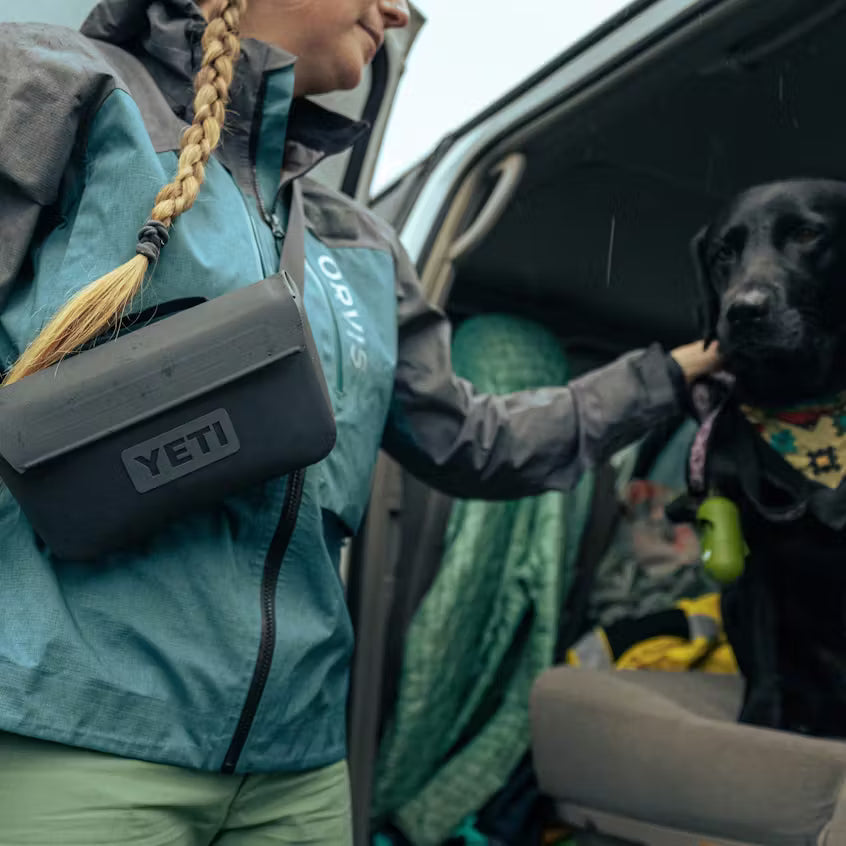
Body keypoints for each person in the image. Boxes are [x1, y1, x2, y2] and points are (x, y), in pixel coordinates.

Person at [0, 0, 720, 842]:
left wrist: (670, 377)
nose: (401, 12)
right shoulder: (55, 85)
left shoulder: (363, 248)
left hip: (298, 770)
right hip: (74, 738)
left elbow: (478, 442)